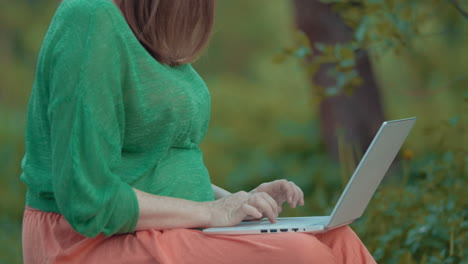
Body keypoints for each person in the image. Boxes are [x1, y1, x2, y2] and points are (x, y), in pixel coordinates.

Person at [20, 0, 377, 263]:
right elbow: (89, 198)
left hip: (155, 225)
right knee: (302, 256)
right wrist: (210, 213)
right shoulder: (89, 16)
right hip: (82, 241)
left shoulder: (142, 33)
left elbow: (150, 165)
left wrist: (235, 202)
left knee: (338, 240)